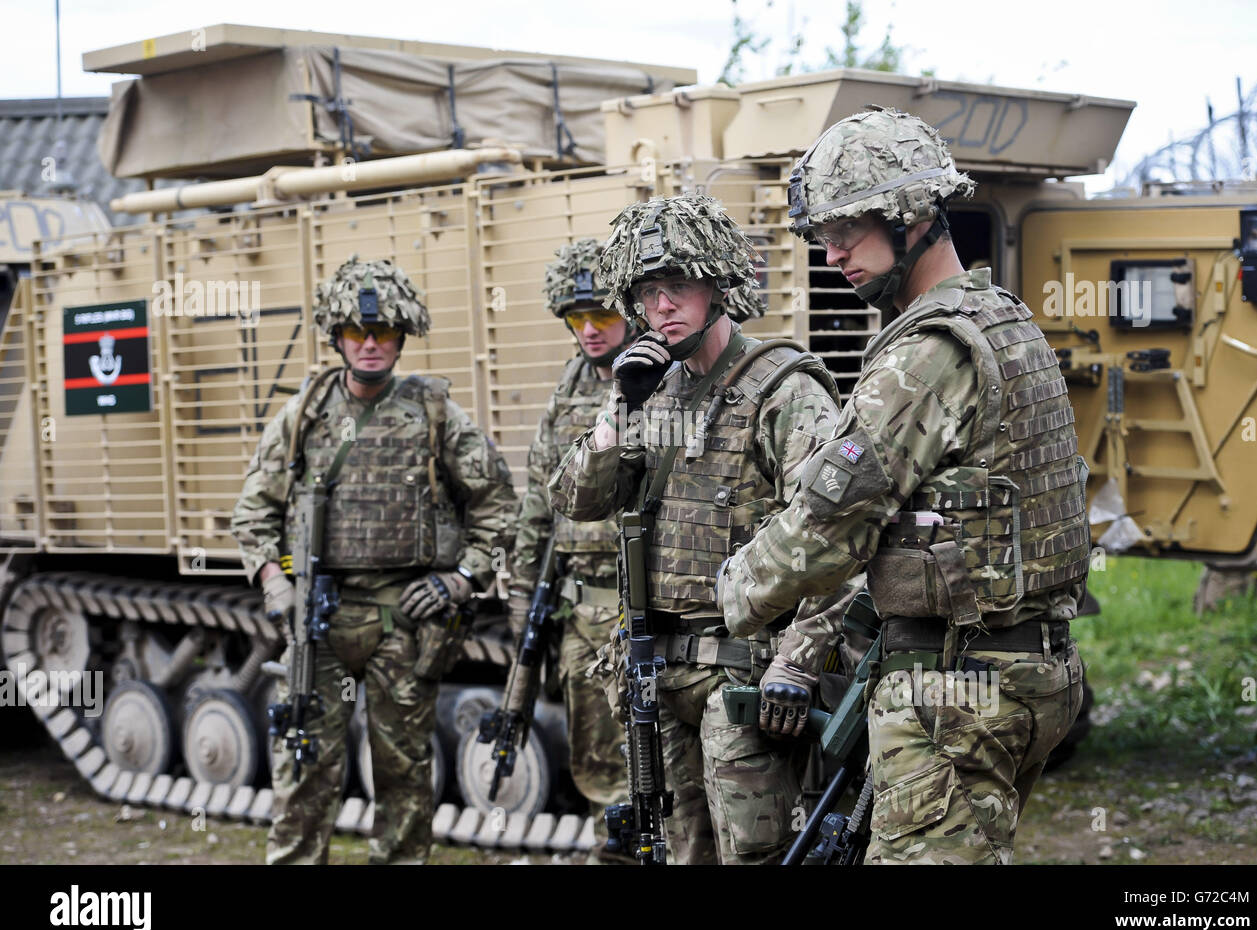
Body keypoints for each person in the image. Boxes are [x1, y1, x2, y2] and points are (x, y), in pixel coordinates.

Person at [718, 105, 1088, 864]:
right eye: (824, 236)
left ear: (910, 214)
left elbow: (827, 524)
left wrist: (733, 591)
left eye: (846, 231)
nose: (831, 255)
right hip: (1031, 669)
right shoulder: (1007, 320)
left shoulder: (927, 353)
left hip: (958, 690)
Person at [548, 194, 841, 864]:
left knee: (756, 852)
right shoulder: (648, 393)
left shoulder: (784, 390)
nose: (662, 308)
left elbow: (838, 538)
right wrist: (620, 407)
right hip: (656, 671)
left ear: (718, 284)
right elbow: (574, 497)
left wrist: (799, 659)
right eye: (649, 293)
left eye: (678, 286)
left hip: (746, 672)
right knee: (680, 852)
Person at [231, 255, 516, 864]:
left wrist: (463, 578)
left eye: (383, 333)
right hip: (318, 623)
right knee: (304, 772)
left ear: (401, 338)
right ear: (337, 336)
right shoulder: (302, 415)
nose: (370, 345)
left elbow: (497, 501)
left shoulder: (434, 413)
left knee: (405, 778)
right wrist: (274, 586)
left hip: (405, 624)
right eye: (358, 333)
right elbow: (252, 513)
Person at [503, 238, 634, 844]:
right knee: (597, 762)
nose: (589, 330)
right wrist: (521, 599)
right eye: (576, 318)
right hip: (581, 611)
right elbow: (538, 503)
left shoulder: (665, 381)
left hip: (647, 603)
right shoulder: (567, 393)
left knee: (660, 762)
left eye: (601, 315)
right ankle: (610, 849)